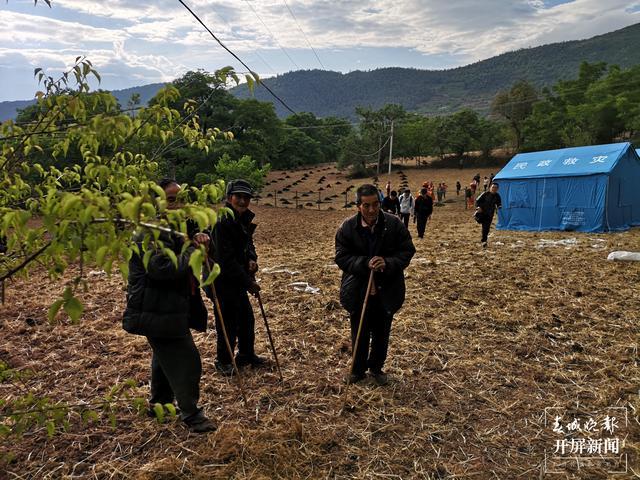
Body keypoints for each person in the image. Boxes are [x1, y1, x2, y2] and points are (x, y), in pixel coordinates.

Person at [123, 178, 216, 433]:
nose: (178, 204)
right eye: (171, 199)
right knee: (186, 360)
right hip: (155, 307)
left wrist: (199, 239)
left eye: (180, 198)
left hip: (167, 307)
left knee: (164, 355)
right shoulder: (147, 231)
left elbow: (197, 245)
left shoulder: (178, 227)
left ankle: (160, 403)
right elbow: (161, 268)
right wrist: (191, 251)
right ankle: (192, 414)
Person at [335, 184, 415, 385]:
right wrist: (363, 263)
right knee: (359, 331)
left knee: (382, 331)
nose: (371, 210)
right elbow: (342, 257)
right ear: (358, 206)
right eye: (366, 205)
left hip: (387, 289)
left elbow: (406, 251)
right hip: (358, 289)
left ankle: (377, 368)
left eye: (375, 205)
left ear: (380, 203)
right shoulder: (347, 227)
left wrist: (387, 263)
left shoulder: (394, 224)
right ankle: (357, 370)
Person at [208, 179, 265, 376]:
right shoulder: (222, 223)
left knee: (246, 319)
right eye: (238, 196)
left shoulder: (242, 219)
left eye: (246, 197)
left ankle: (246, 355)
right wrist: (249, 282)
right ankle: (224, 361)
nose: (242, 201)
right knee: (228, 322)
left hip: (237, 280)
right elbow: (225, 261)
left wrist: (252, 259)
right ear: (229, 197)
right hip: (221, 281)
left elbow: (248, 244)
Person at [475, 182, 502, 247]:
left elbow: (499, 203)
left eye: (495, 188)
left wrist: (499, 207)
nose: (494, 189)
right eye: (493, 187)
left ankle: (484, 241)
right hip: (481, 212)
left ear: (497, 189)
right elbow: (477, 201)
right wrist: (478, 207)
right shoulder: (485, 194)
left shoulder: (497, 196)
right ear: (490, 187)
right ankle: (476, 218)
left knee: (486, 228)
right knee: (481, 223)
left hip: (489, 214)